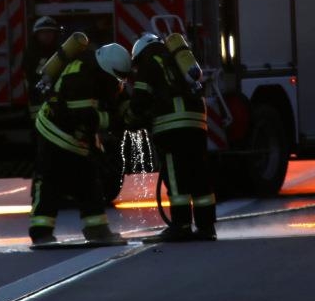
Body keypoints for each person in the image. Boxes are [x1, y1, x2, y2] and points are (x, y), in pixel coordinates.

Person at [28, 42, 131, 245]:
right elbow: (85, 117)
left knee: (88, 179)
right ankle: (40, 232)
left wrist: (131, 111)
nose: (117, 81)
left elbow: (117, 96)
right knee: (51, 181)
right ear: (107, 68)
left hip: (75, 135)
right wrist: (116, 121)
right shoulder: (81, 78)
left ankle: (97, 229)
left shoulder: (100, 70)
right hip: (54, 131)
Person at [125, 33, 217, 242]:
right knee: (198, 174)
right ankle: (207, 227)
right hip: (197, 123)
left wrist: (130, 118)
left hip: (172, 126)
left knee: (176, 177)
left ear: (140, 54)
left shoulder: (148, 63)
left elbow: (140, 99)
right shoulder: (177, 59)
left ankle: (181, 225)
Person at [23, 16, 62, 118]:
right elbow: (30, 75)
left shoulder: (60, 52)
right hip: (37, 95)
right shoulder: (31, 53)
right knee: (38, 120)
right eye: (43, 32)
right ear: (36, 35)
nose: (47, 35)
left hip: (58, 95)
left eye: (50, 32)